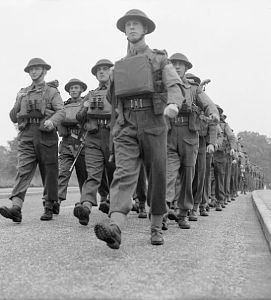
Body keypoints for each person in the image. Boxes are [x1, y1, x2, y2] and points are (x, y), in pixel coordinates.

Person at [94, 9, 184, 248]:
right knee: (123, 174)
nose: (132, 28)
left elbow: (174, 83)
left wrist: (173, 103)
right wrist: (115, 131)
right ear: (124, 32)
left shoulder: (159, 59)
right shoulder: (118, 67)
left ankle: (156, 226)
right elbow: (113, 103)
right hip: (126, 125)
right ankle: (115, 227)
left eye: (136, 24)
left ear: (145, 29)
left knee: (158, 175)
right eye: (128, 25)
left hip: (154, 122)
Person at [0, 58, 65, 222]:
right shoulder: (23, 92)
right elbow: (14, 117)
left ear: (44, 71)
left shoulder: (52, 92)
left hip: (46, 133)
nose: (34, 71)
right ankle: (16, 208)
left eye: (37, 69)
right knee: (23, 170)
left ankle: (49, 205)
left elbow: (61, 111)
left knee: (49, 171)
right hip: (26, 133)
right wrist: (18, 101)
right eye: (31, 69)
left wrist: (52, 121)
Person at [166, 53, 219, 229]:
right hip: (169, 133)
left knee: (188, 176)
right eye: (174, 64)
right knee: (168, 174)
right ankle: (164, 210)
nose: (177, 66)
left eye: (181, 64)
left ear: (187, 68)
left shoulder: (194, 89)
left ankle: (183, 213)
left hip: (189, 136)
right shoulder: (164, 85)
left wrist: (213, 113)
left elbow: (208, 104)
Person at [73, 59, 115, 226]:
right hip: (93, 136)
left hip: (113, 136)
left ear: (111, 72)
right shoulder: (90, 95)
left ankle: (114, 203)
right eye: (99, 71)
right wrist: (85, 107)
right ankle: (86, 206)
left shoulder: (118, 93)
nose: (102, 72)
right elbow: (78, 117)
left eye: (105, 69)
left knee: (115, 174)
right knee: (93, 174)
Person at [55, 78, 88, 214]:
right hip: (67, 142)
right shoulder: (63, 106)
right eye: (71, 88)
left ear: (81, 90)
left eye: (76, 88)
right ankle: (56, 201)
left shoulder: (86, 104)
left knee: (83, 175)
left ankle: (84, 202)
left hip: (82, 143)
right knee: (63, 173)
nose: (74, 90)